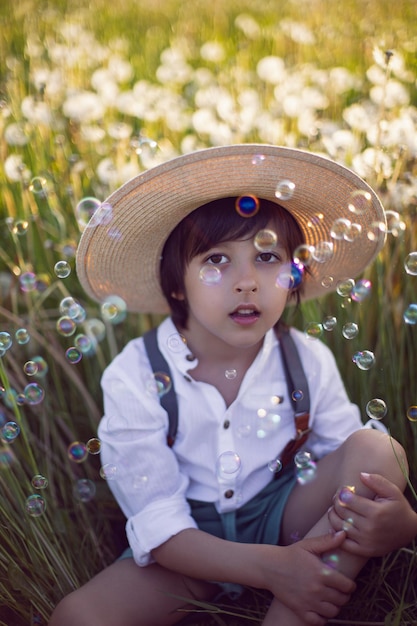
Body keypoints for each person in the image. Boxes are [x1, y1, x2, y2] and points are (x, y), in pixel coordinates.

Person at [50, 144, 417, 626]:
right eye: (217, 260)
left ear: (293, 275)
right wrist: (269, 567)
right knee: (77, 616)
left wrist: (404, 524)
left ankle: (290, 612)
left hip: (284, 516)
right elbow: (159, 524)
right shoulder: (136, 372)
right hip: (189, 545)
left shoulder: (306, 359)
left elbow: (347, 467)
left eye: (267, 257)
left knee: (377, 451)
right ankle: (293, 579)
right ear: (176, 284)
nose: (246, 282)